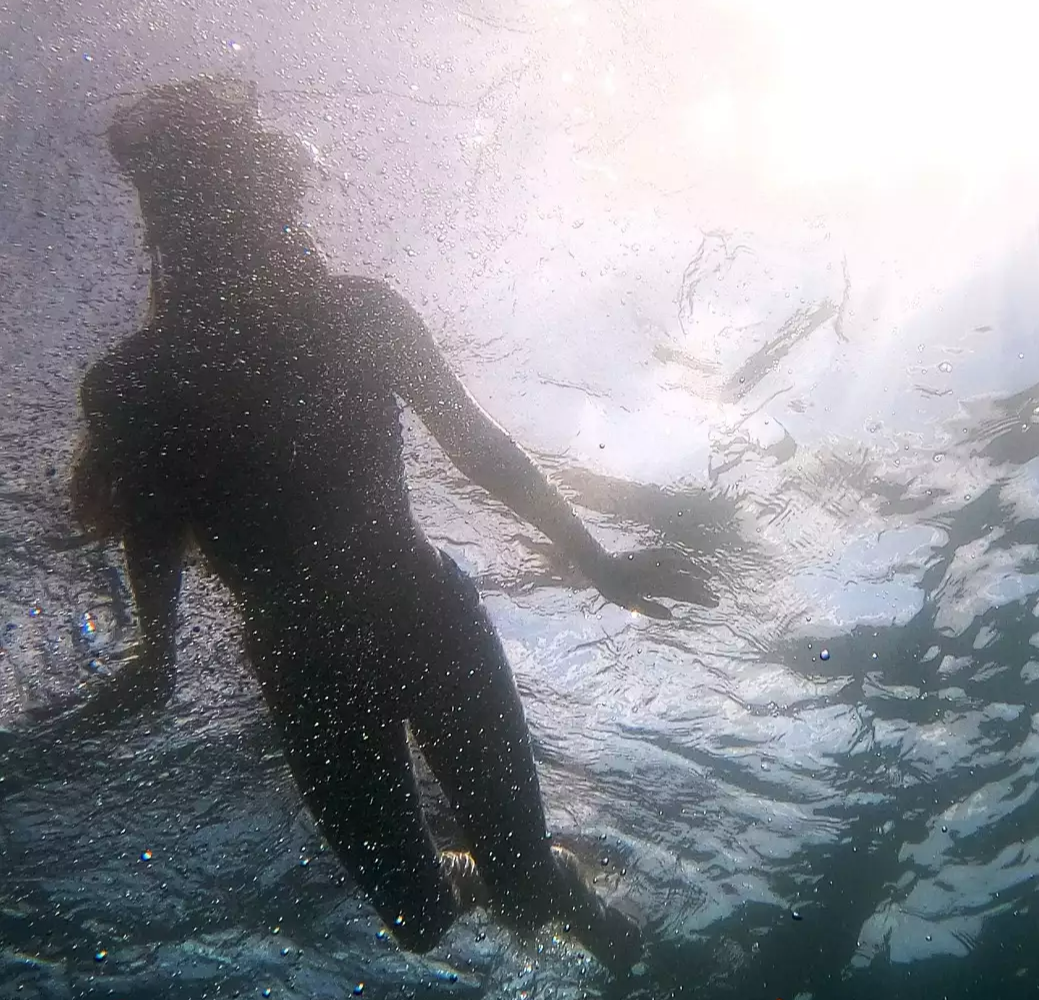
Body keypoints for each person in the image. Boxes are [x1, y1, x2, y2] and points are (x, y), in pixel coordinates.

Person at [66, 74, 714, 975]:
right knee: (417, 919)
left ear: (266, 196)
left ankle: (538, 871)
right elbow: (150, 522)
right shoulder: (131, 382)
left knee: (529, 893)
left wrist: (599, 565)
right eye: (198, 203)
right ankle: (497, 862)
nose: (229, 221)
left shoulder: (358, 313)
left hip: (424, 613)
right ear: (170, 223)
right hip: (300, 662)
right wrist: (158, 653)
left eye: (241, 195)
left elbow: (479, 447)